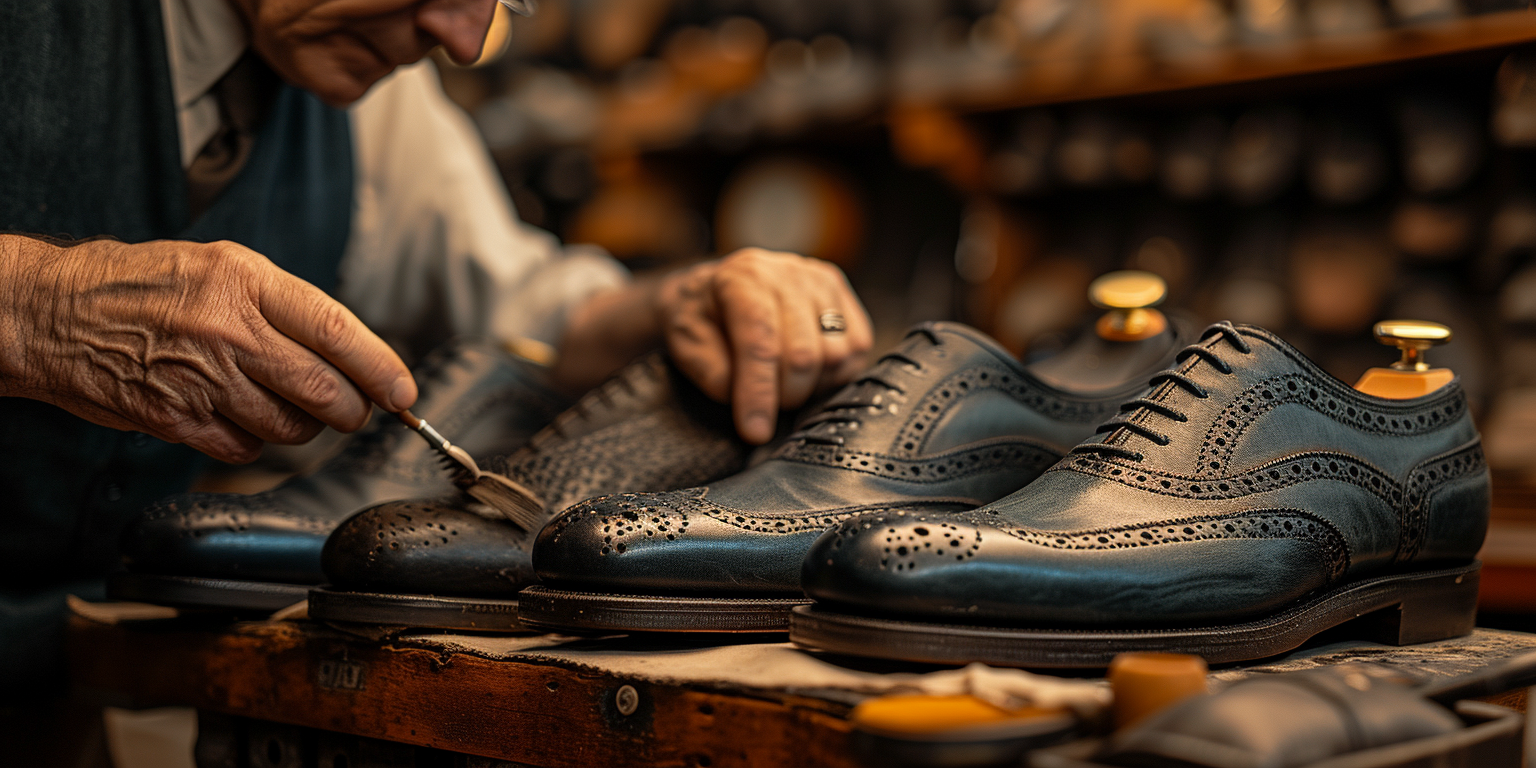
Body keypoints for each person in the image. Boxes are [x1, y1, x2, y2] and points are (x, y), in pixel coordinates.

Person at [0, 0, 872, 699]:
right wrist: (35, 307)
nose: (463, 40)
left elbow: (526, 312)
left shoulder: (374, 97)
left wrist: (686, 299)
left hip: (65, 661)